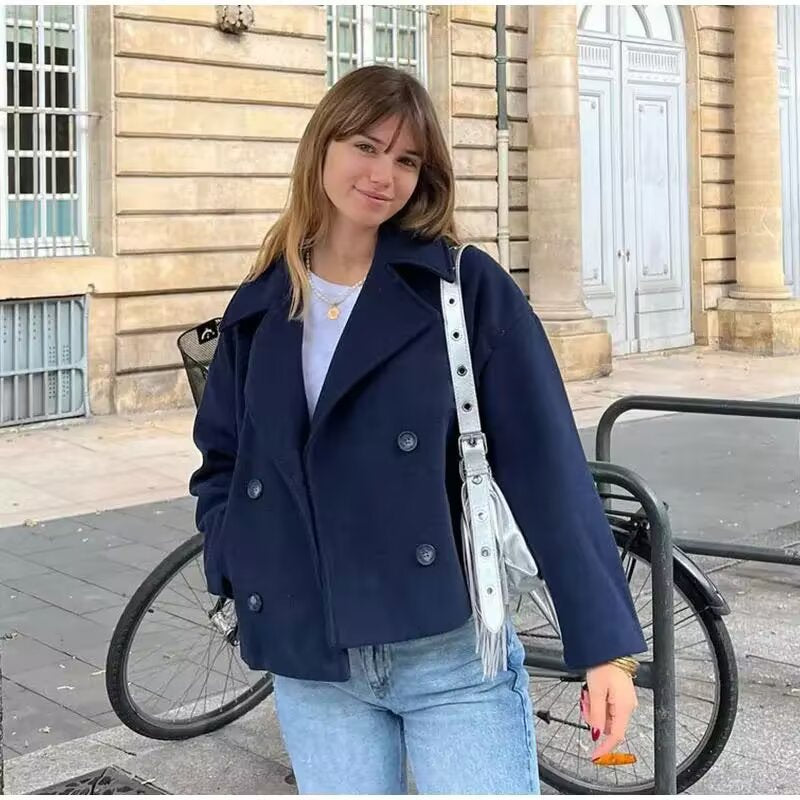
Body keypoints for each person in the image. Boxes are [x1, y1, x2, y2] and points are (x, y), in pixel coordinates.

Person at [189, 64, 647, 795]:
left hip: (448, 655)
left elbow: (546, 466)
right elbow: (222, 459)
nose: (383, 175)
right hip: (311, 658)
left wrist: (605, 648)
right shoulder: (264, 300)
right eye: (366, 147)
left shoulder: (461, 287)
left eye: (406, 160)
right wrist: (237, 558)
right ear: (321, 146)